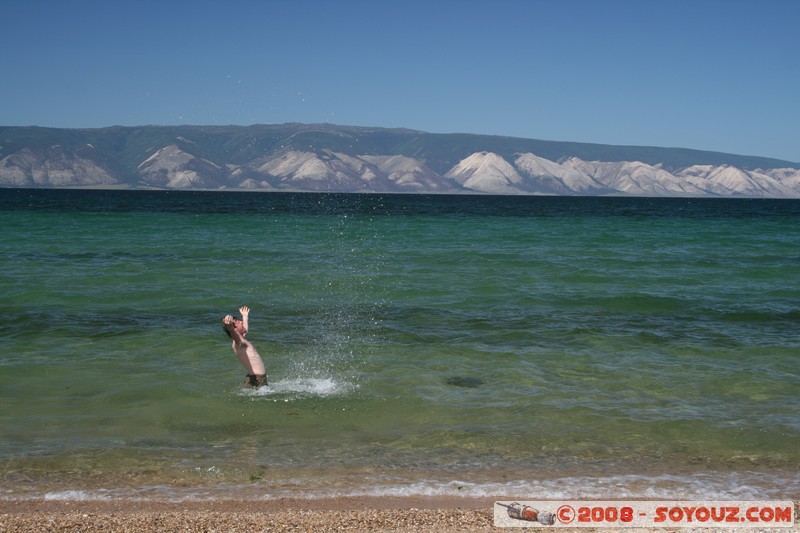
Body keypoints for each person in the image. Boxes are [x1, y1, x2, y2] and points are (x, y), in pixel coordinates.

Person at [223, 305, 267, 387]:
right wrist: (229, 327)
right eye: (239, 322)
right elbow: (235, 336)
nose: (242, 322)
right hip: (258, 379)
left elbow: (245, 329)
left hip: (253, 377)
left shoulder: (242, 339)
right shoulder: (239, 342)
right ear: (235, 329)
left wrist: (245, 316)